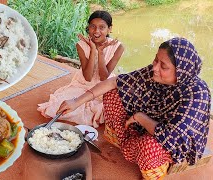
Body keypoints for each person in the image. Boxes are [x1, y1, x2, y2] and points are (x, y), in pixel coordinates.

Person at [57, 37, 211, 179]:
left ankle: (155, 170)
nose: (155, 68)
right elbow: (115, 82)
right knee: (112, 93)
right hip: (146, 127)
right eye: (156, 60)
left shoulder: (197, 94)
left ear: (181, 71)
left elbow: (171, 137)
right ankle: (124, 142)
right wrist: (76, 102)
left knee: (148, 146)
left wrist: (140, 117)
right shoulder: (154, 72)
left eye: (163, 66)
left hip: (171, 143)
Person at [37, 10, 124, 127]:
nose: (96, 31)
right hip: (83, 83)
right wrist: (93, 50)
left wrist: (100, 52)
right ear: (88, 28)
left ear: (109, 29)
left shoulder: (118, 47)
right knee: (58, 108)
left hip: (105, 85)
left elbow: (103, 77)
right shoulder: (81, 45)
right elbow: (88, 77)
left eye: (102, 27)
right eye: (93, 27)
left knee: (109, 110)